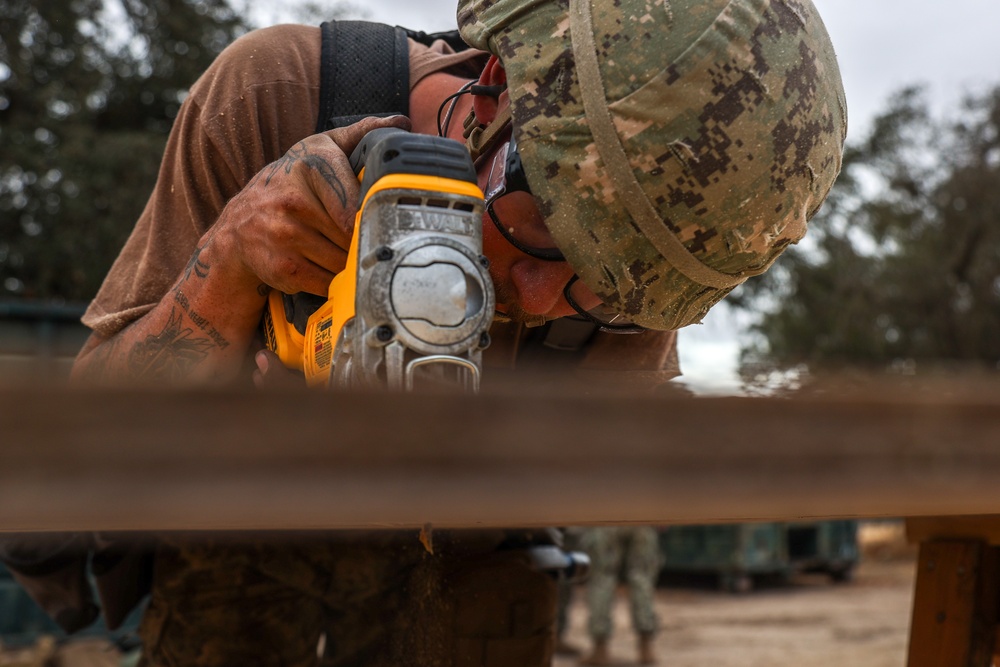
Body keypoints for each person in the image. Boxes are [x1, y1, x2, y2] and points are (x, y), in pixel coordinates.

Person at [63, 0, 846, 664]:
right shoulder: (275, 96)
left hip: (465, 601)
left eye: (601, 292)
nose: (542, 299)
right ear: (494, 87)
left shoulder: (641, 255)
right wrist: (228, 262)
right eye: (547, 229)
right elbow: (84, 448)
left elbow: (631, 474)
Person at [578, 527, 662, 665]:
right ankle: (645, 646)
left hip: (604, 517)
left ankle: (600, 648)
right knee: (641, 579)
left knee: (602, 579)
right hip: (641, 516)